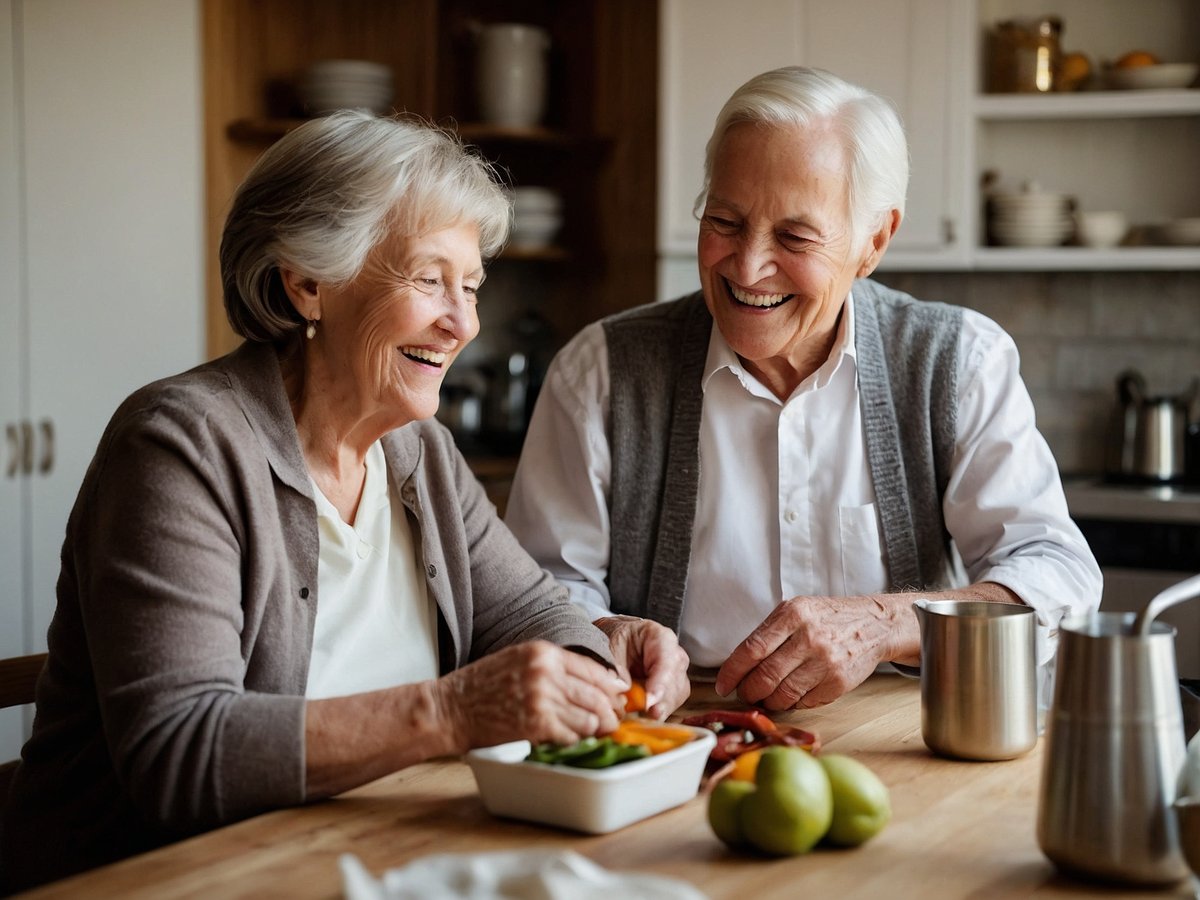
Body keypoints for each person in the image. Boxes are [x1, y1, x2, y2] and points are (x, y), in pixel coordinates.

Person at [0, 111, 689, 891]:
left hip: (373, 859)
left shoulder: (414, 449)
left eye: (470, 287)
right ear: (307, 282)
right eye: (428, 280)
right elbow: (180, 753)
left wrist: (599, 651)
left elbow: (531, 613)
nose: (462, 322)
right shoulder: (179, 448)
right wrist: (453, 712)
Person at [504, 66, 1101, 713]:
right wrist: (604, 633)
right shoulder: (600, 372)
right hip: (677, 740)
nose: (749, 265)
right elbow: (538, 592)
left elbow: (1056, 571)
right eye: (726, 221)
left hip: (906, 744)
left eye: (794, 236)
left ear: (874, 240)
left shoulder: (957, 361)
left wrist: (886, 622)